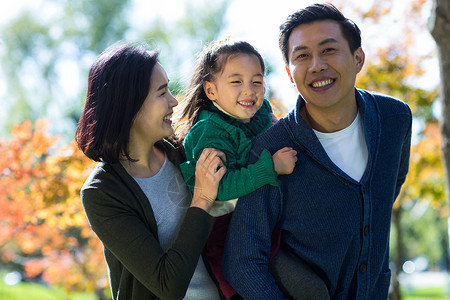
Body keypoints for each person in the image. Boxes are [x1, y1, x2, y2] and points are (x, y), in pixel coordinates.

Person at [223, 3, 412, 300]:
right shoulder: (270, 150)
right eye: (302, 56)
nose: (316, 65)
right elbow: (242, 260)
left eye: (328, 50)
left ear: (358, 58)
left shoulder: (395, 119)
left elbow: (389, 190)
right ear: (288, 72)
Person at [75, 42, 227, 300]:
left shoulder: (183, 153)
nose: (174, 101)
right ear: (130, 105)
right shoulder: (102, 193)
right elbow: (168, 285)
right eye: (162, 92)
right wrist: (202, 199)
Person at [175, 40, 299, 299]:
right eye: (236, 82)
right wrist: (272, 166)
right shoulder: (209, 131)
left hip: (265, 214)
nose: (249, 91)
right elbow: (220, 187)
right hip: (224, 227)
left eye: (257, 81)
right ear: (211, 90)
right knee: (240, 287)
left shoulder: (262, 112)